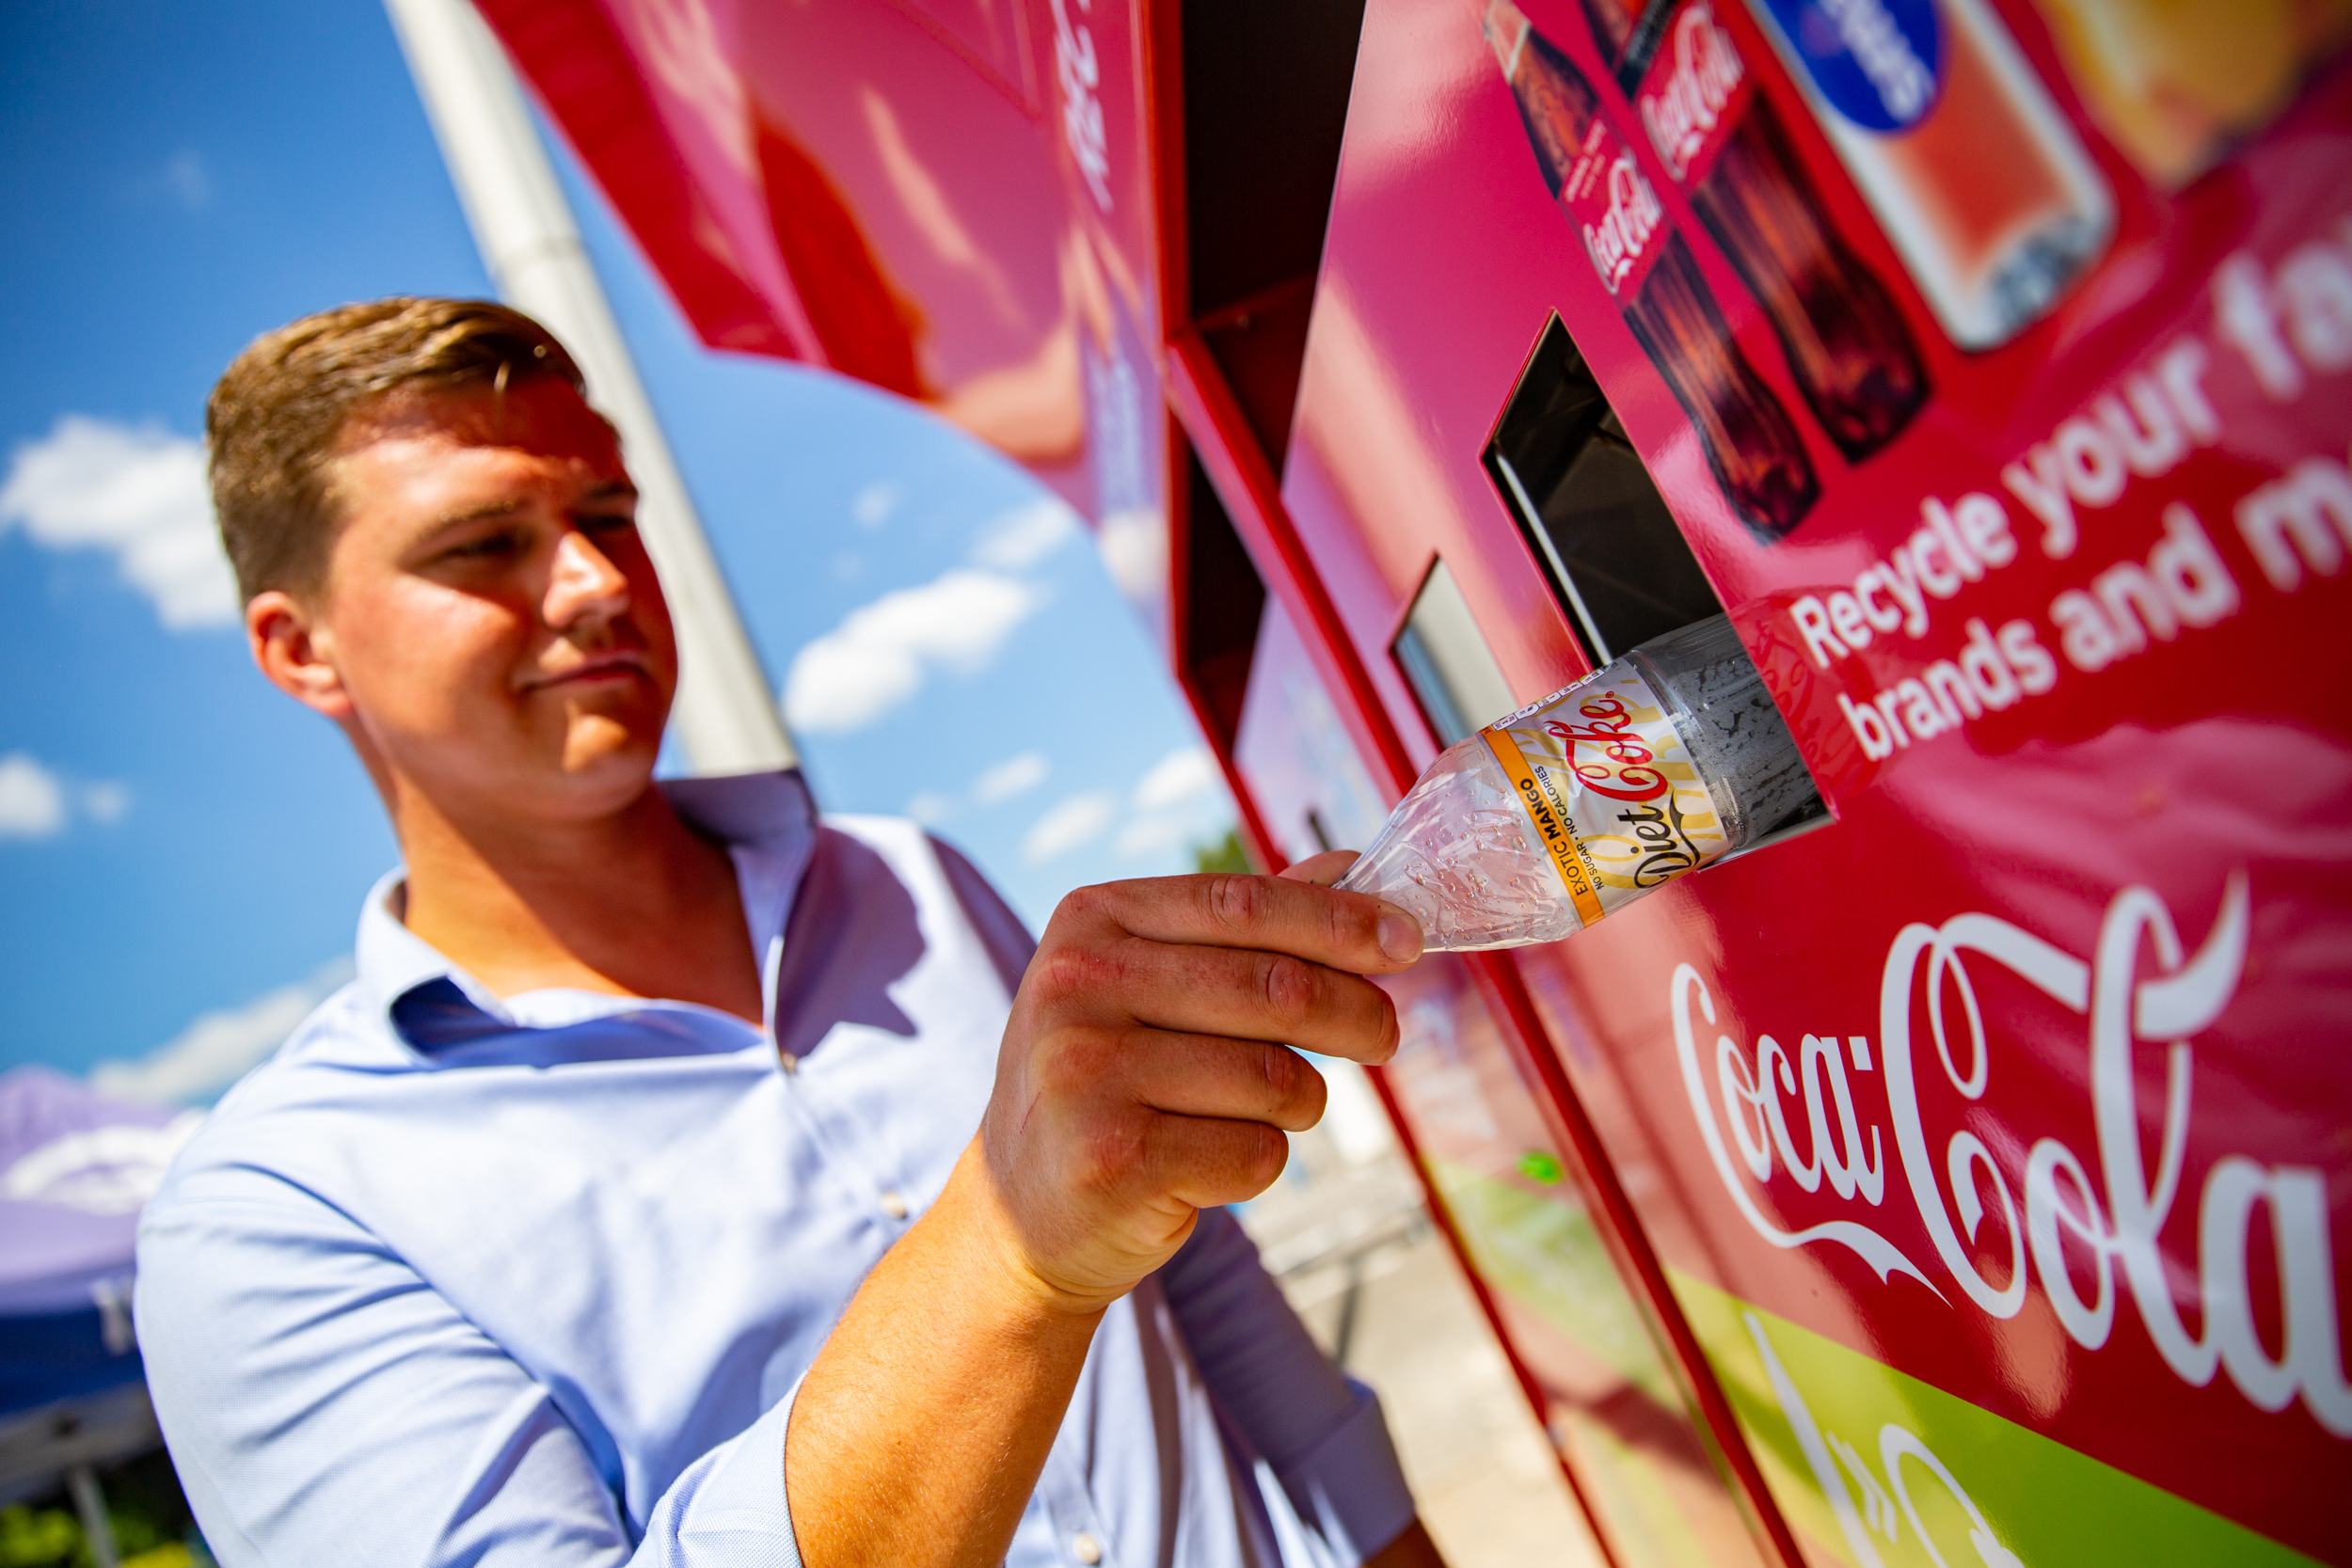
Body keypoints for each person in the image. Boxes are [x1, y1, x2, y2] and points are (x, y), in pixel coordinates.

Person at [135, 297, 1447, 1568]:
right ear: (300, 650)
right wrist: (1009, 1249)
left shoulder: (911, 882)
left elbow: (1193, 1285)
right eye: (481, 544)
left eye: (610, 515)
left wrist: (1390, 1542)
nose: (594, 582)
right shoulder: (271, 1217)